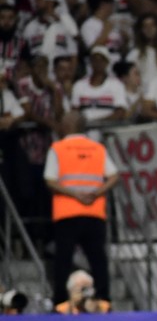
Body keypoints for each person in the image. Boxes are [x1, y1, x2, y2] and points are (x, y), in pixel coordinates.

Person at [45, 112, 119, 307]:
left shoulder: (58, 148)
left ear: (68, 125)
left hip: (67, 213)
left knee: (63, 258)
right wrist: (96, 193)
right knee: (98, 259)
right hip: (94, 212)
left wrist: (74, 194)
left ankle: (60, 301)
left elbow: (50, 179)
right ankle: (104, 299)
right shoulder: (97, 148)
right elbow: (113, 176)